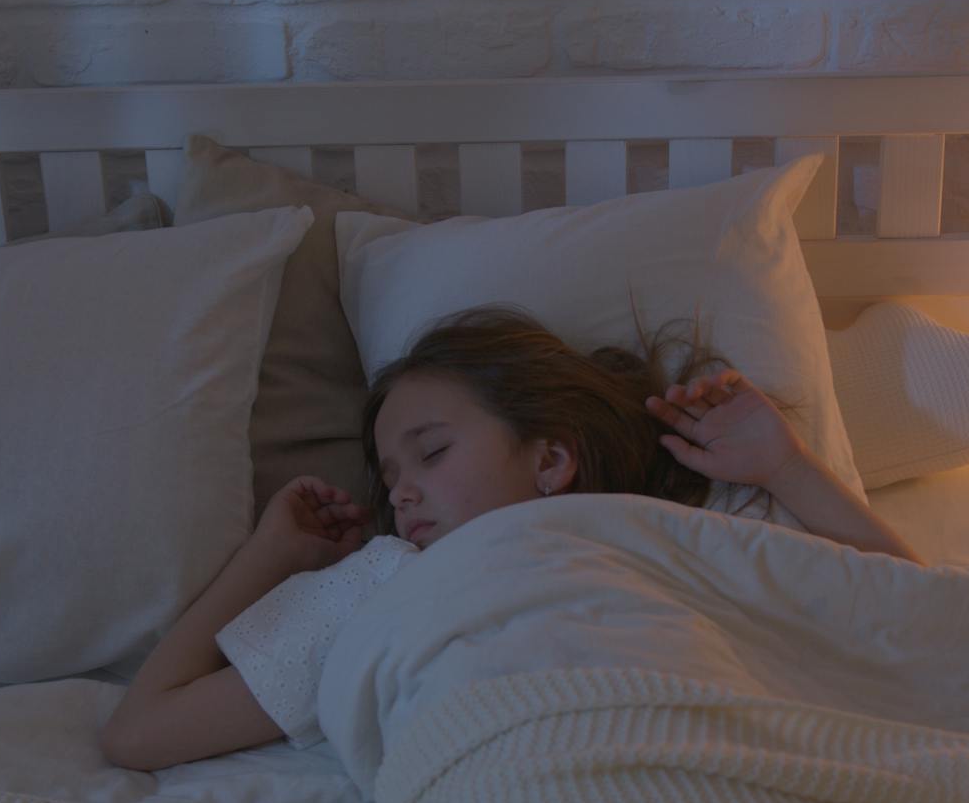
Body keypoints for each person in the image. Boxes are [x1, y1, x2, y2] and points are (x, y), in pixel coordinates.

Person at [99, 308, 919, 771]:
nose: (402, 490)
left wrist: (787, 468)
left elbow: (907, 621)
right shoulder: (386, 580)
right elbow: (136, 734)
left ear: (552, 458)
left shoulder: (671, 534)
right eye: (389, 477)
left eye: (432, 450)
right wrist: (267, 557)